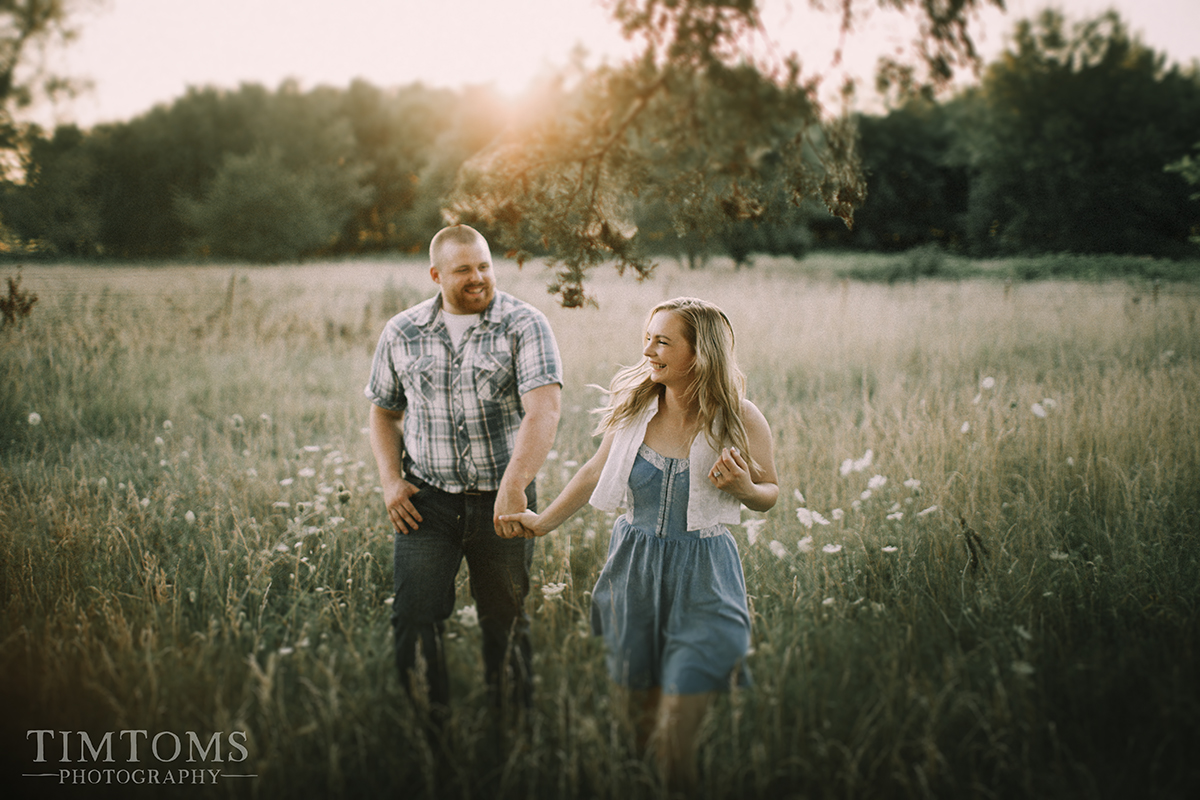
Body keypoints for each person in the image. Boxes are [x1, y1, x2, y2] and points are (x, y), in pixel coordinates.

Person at [500, 296, 779, 791]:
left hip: (705, 579)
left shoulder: (739, 417)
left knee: (676, 735)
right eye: (647, 337)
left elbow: (768, 493)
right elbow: (593, 473)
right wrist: (542, 522)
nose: (648, 350)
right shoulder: (637, 407)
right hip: (635, 571)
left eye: (663, 341)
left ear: (700, 354)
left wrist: (744, 489)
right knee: (638, 725)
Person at [364, 224, 562, 733]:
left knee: (506, 619)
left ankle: (511, 728)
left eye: (484, 265)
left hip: (504, 500)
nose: (478, 278)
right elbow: (383, 412)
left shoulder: (524, 324)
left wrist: (515, 484)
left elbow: (544, 409)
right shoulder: (403, 331)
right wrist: (390, 482)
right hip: (426, 502)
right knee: (414, 618)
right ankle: (430, 728)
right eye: (463, 270)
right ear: (436, 274)